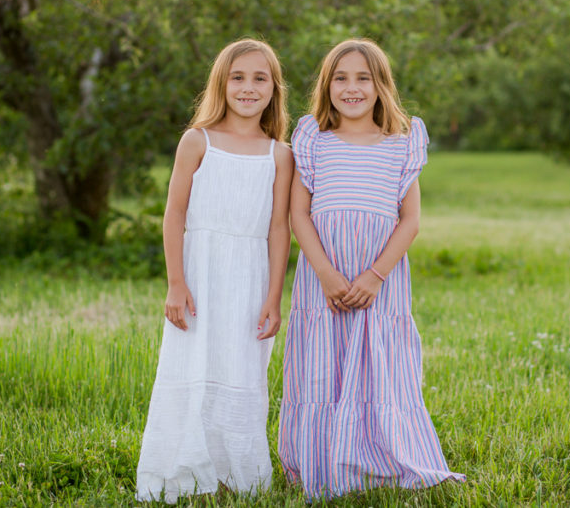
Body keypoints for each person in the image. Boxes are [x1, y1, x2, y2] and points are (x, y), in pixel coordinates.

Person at [278, 38, 465, 499]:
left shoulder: (401, 143)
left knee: (379, 367)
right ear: (327, 85)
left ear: (381, 86)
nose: (352, 87)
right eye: (340, 78)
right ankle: (322, 460)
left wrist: (374, 276)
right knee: (324, 366)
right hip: (324, 278)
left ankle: (380, 457)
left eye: (363, 78)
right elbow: (298, 214)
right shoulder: (311, 140)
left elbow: (411, 220)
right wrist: (325, 273)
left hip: (379, 281)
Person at [136, 39, 293, 503]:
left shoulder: (279, 154)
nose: (247, 88)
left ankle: (236, 472)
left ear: (273, 88)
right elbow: (174, 215)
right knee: (193, 364)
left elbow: (279, 229)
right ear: (221, 84)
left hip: (249, 278)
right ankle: (183, 466)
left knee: (242, 368)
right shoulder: (197, 140)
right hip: (200, 274)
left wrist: (273, 296)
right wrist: (176, 283)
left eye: (259, 78)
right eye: (237, 77)